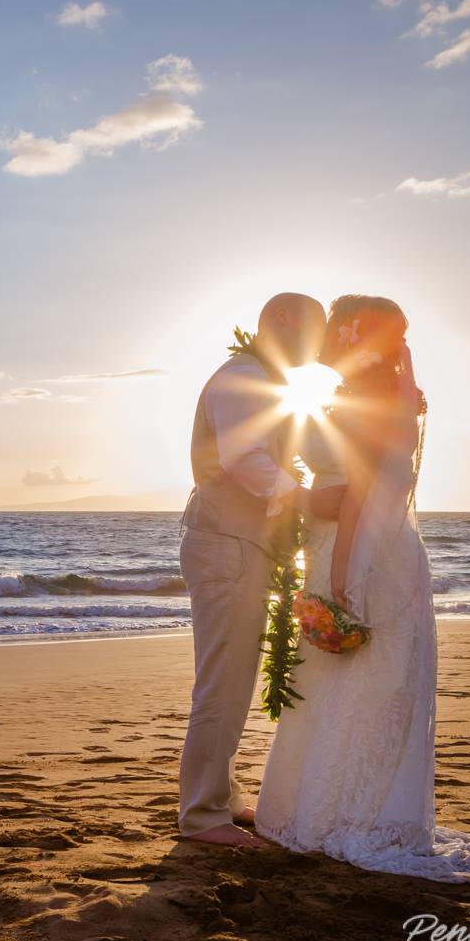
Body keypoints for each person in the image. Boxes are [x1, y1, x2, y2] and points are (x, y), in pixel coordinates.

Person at [254, 295, 470, 882]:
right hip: (367, 548)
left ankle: (345, 816)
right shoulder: (385, 393)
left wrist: (341, 573)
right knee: (355, 680)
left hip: (361, 551)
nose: (322, 342)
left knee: (360, 677)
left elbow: (361, 491)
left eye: (334, 331)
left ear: (351, 335)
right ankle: (338, 807)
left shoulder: (372, 399)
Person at [176, 292, 328, 847]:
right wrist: (310, 501)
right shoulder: (242, 375)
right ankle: (201, 817)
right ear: (282, 318)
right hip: (226, 544)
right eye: (318, 327)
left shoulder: (261, 378)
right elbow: (245, 459)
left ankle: (225, 798)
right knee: (222, 684)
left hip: (241, 545)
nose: (321, 341)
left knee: (234, 680)